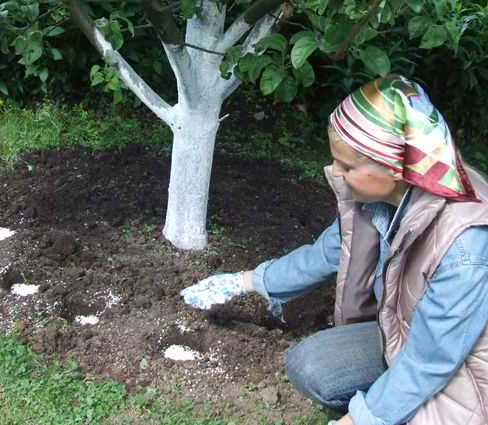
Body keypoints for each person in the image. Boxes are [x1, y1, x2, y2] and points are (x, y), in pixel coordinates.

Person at [180, 75, 488, 425]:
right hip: (405, 340)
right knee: (311, 365)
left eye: (347, 167)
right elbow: (326, 253)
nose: (336, 174)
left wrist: (361, 419)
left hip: (466, 380)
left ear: (392, 165)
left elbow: (431, 360)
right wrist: (248, 281)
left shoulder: (466, 243)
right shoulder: (380, 199)